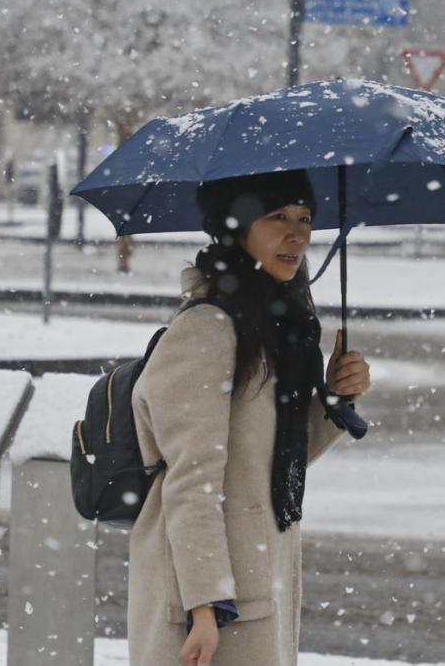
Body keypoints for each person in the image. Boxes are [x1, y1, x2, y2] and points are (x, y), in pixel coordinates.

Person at [128, 169, 372, 666]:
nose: (298, 235)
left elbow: (272, 461)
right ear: (235, 227)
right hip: (209, 603)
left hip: (254, 583)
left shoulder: (271, 330)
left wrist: (333, 396)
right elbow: (191, 482)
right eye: (277, 216)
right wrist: (204, 608)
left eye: (305, 218)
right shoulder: (207, 330)